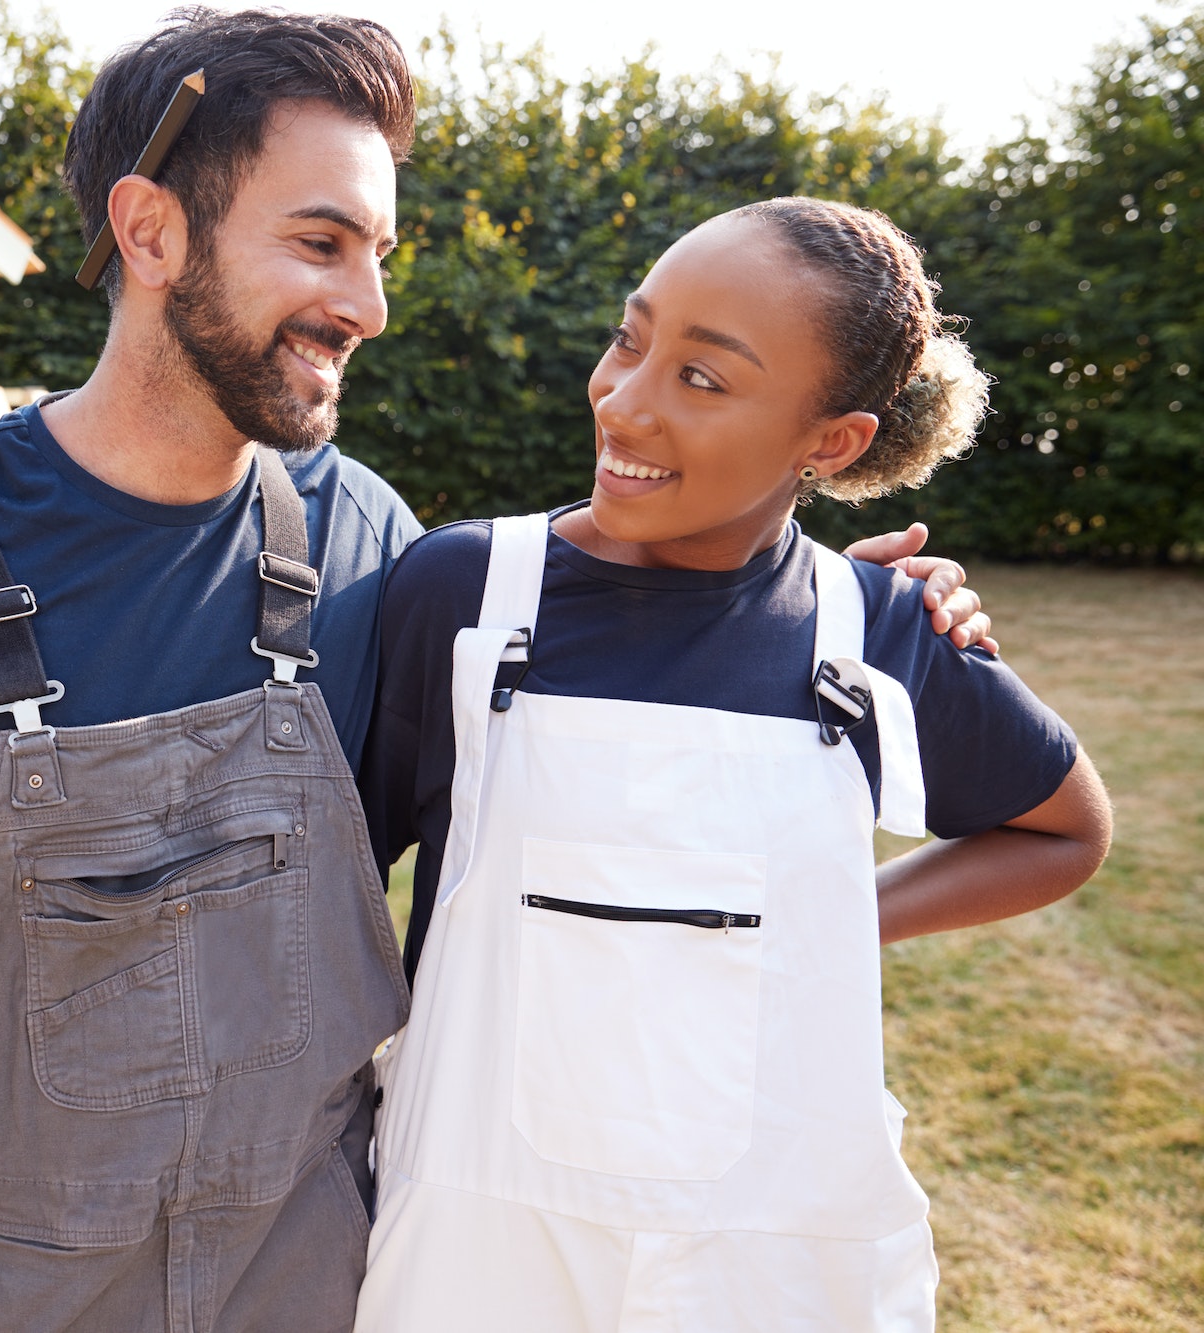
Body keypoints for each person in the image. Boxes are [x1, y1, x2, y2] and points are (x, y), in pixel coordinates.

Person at [0, 10, 991, 1329]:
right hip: (24, 1287)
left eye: (379, 252)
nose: (368, 304)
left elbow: (569, 787)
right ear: (152, 230)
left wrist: (801, 598)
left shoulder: (365, 545)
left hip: (331, 1279)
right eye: (320, 242)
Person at [355, 197, 1113, 1331]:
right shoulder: (464, 596)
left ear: (832, 441)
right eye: (629, 339)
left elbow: (1064, 831)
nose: (624, 398)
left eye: (701, 380)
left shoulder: (882, 634)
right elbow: (322, 894)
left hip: (767, 1277)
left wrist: (830, 915)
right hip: (472, 1257)